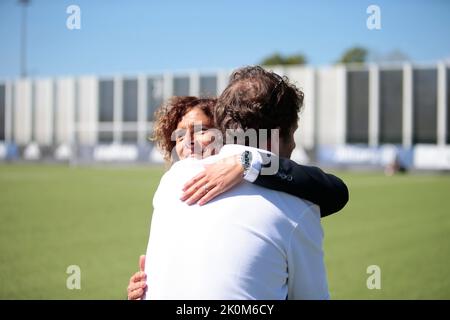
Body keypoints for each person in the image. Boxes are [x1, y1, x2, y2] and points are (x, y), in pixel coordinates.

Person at [127, 68, 346, 299]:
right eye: (293, 134)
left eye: (200, 131)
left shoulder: (170, 182)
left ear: (222, 127)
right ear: (280, 133)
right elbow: (335, 193)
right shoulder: (297, 204)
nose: (188, 143)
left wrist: (249, 162)